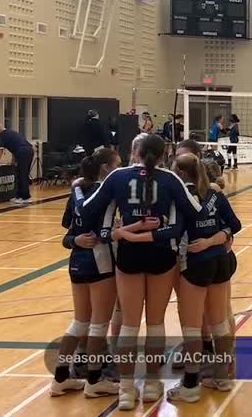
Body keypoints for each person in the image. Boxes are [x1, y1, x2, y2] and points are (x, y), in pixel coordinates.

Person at [79, 133, 203, 410]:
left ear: (134, 152)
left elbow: (87, 209)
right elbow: (195, 211)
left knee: (129, 324)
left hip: (128, 256)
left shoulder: (117, 177)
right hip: (161, 254)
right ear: (162, 155)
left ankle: (126, 389)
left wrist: (122, 230)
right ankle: (151, 383)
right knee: (156, 323)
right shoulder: (170, 179)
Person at [159, 154, 240, 402]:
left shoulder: (181, 197)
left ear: (181, 174)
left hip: (195, 263)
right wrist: (214, 239)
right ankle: (222, 377)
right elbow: (234, 225)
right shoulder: (215, 194)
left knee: (191, 327)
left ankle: (191, 385)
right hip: (221, 261)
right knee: (219, 322)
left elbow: (174, 231)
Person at [50, 147, 121, 398]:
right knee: (99, 324)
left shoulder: (77, 190)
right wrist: (121, 230)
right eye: (117, 165)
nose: (119, 169)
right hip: (100, 261)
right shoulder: (107, 194)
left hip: (76, 260)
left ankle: (60, 378)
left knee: (80, 321)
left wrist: (75, 240)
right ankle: (94, 380)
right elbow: (104, 234)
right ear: (105, 168)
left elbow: (67, 231)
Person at [0, 124, 34, 204]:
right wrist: (13, 161)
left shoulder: (2, 135)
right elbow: (14, 148)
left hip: (22, 152)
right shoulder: (12, 132)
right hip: (29, 150)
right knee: (22, 174)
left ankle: (25, 197)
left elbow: (0, 150)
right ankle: (19, 196)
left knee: (22, 175)